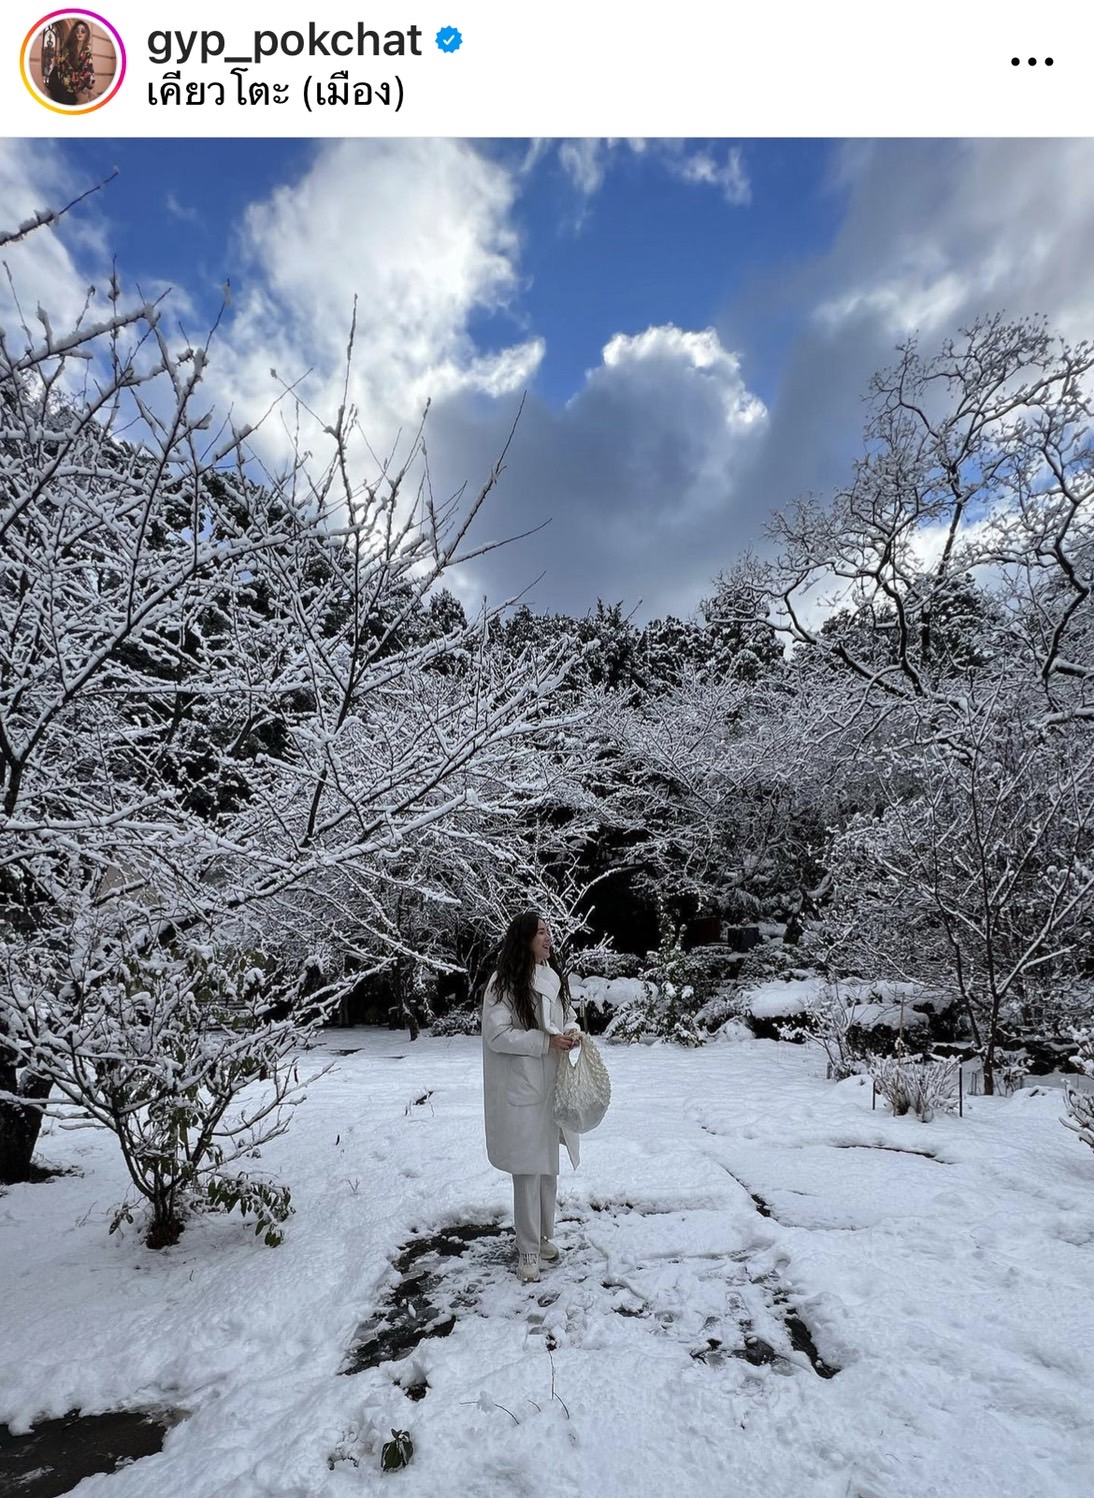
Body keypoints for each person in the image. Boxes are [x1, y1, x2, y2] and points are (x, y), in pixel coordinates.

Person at [481, 911, 582, 1283]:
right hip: (523, 1087)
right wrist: (544, 1042)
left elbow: (568, 1014)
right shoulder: (503, 984)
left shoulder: (552, 977)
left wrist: (571, 1032)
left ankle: (541, 1239)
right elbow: (497, 1035)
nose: (548, 938)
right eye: (541, 932)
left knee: (547, 1168)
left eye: (549, 931)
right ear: (523, 939)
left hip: (550, 1086)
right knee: (527, 1170)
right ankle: (525, 1249)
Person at [46, 20, 95, 106]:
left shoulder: (87, 51)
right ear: (74, 33)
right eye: (77, 31)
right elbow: (66, 74)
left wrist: (87, 88)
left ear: (86, 34)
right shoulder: (66, 49)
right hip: (59, 80)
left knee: (84, 96)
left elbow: (88, 72)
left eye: (83, 31)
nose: (80, 33)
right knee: (69, 100)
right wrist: (83, 86)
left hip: (74, 83)